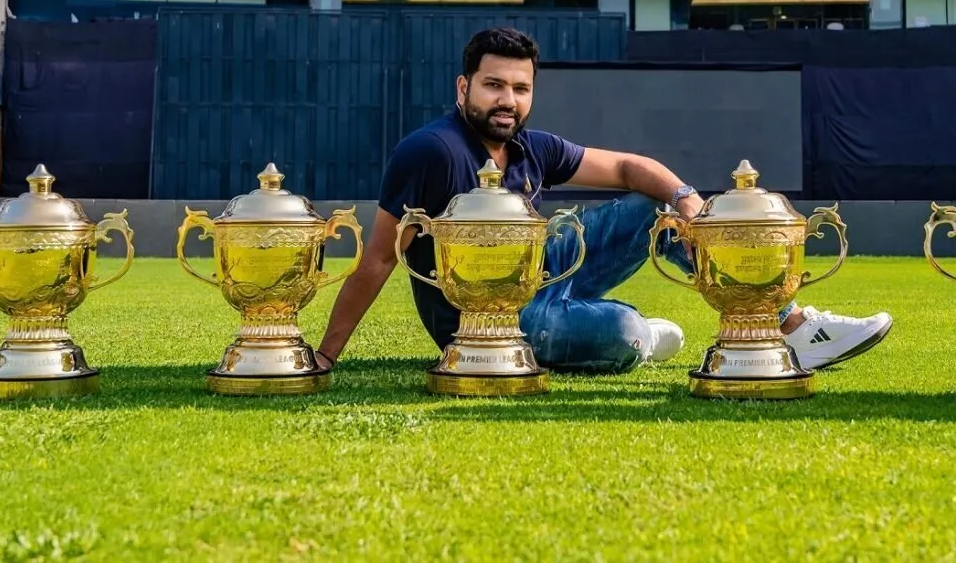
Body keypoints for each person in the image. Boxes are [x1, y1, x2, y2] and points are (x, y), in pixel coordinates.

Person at [315, 27, 891, 375]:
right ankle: (639, 335)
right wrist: (327, 356)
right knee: (623, 336)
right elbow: (379, 261)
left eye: (520, 88)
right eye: (493, 85)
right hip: (487, 322)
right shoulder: (431, 151)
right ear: (464, 88)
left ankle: (790, 327)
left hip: (543, 272)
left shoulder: (531, 146)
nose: (507, 100)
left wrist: (690, 202)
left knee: (655, 206)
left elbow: (625, 167)